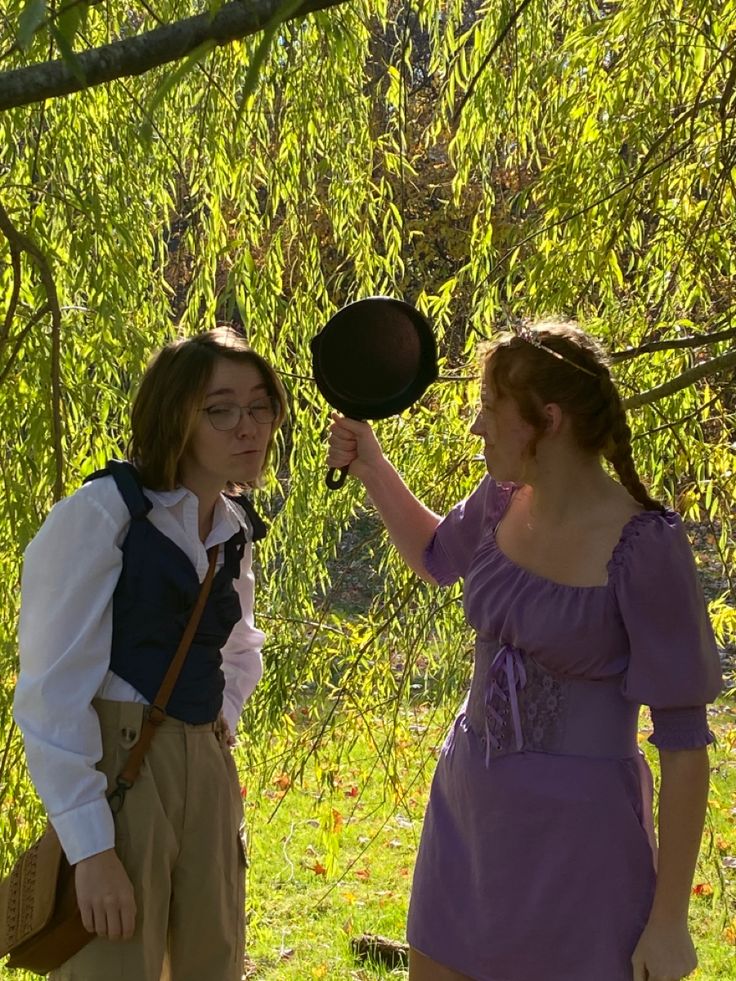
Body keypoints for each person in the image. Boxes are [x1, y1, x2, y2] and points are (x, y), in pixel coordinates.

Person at [327, 319, 723, 981]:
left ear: (549, 419)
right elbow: (433, 554)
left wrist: (669, 919)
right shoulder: (499, 499)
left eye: (489, 409)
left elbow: (684, 746)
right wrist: (369, 461)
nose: (477, 428)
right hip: (467, 814)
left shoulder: (646, 548)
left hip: (581, 850)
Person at [14, 326, 287, 981]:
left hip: (205, 767)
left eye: (260, 406)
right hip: (122, 765)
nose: (248, 426)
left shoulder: (233, 525)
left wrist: (219, 712)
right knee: (114, 964)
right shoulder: (104, 513)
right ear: (175, 417)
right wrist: (91, 850)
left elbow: (240, 644)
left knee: (210, 960)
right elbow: (51, 694)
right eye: (221, 408)